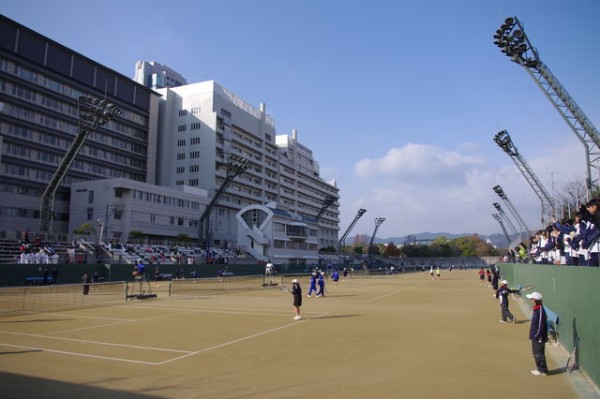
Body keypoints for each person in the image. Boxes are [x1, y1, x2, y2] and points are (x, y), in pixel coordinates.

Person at [527, 291, 549, 376]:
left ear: (535, 300)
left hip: (538, 337)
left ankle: (543, 370)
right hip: (535, 336)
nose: (530, 300)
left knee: (538, 354)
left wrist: (537, 336)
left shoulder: (540, 311)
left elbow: (541, 325)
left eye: (531, 298)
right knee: (536, 353)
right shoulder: (536, 309)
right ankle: (540, 369)